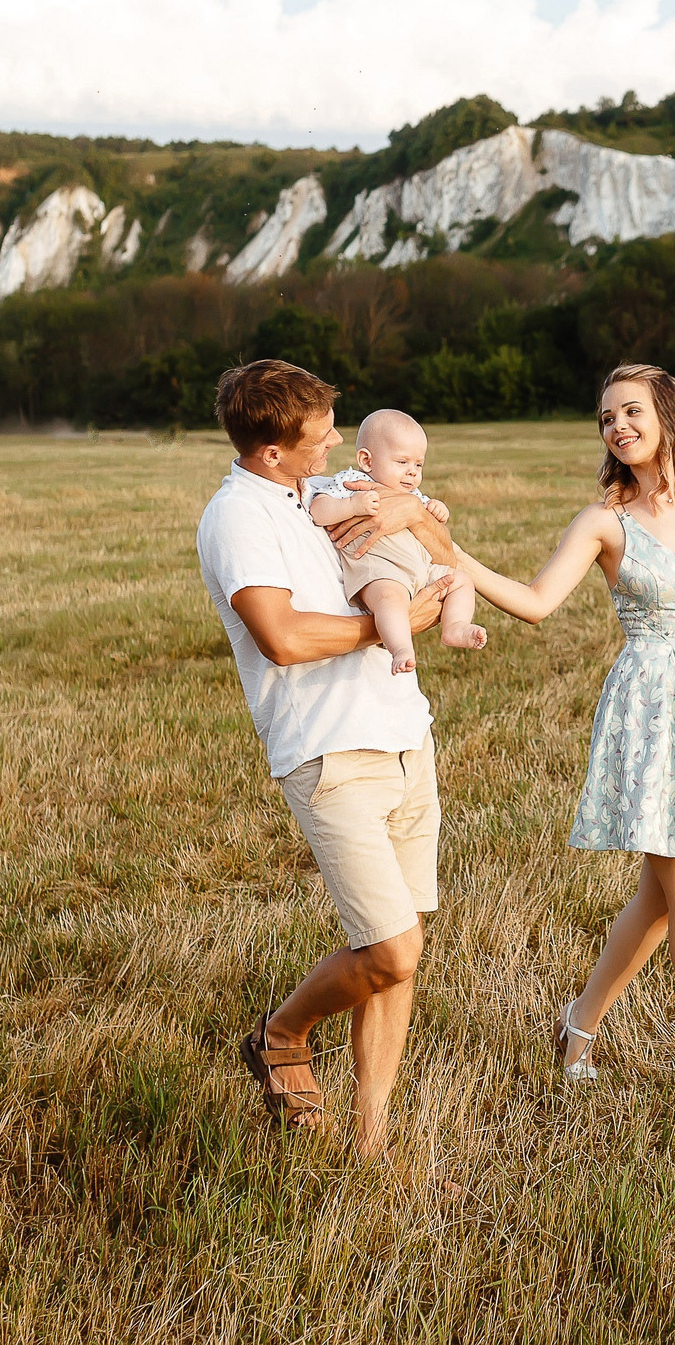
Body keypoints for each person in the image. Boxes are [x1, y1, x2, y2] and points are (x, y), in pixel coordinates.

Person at [455, 362, 675, 1115]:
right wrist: (454, 556)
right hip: (647, 713)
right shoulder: (606, 522)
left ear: (669, 413)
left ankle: (578, 1023)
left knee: (662, 898)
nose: (618, 426)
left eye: (630, 410)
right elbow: (537, 602)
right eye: (606, 417)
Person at [193, 358, 454, 1154]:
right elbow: (284, 637)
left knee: (399, 954)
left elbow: (440, 540)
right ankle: (282, 1034)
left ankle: (371, 1139)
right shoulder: (239, 518)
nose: (340, 440)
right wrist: (391, 621)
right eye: (321, 433)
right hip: (328, 751)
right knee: (389, 946)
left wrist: (413, 514)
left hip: (405, 734)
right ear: (273, 451)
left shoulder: (308, 491)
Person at [325, 409, 485, 674]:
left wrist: (435, 509)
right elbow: (319, 509)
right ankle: (401, 647)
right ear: (366, 460)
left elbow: (430, 527)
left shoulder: (413, 495)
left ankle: (455, 626)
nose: (412, 473)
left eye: (418, 465)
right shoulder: (350, 483)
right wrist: (352, 506)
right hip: (381, 570)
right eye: (402, 463)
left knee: (461, 580)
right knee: (390, 600)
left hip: (419, 567)